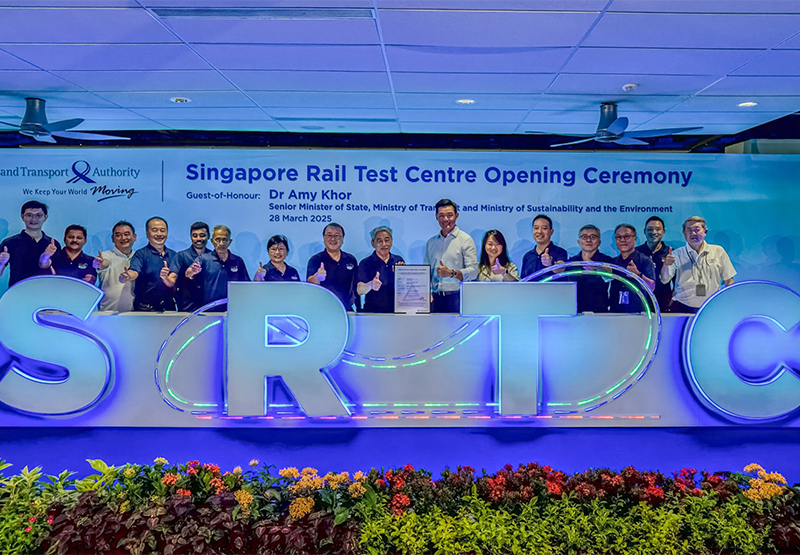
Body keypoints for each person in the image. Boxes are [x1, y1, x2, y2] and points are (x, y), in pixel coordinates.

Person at [661, 216, 736, 314]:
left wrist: (727, 301)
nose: (693, 233)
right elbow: (664, 279)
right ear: (684, 233)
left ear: (705, 232)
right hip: (683, 306)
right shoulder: (677, 254)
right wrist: (666, 265)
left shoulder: (718, 251)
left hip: (711, 307)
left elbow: (729, 280)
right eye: (689, 230)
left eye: (696, 230)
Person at [423, 199, 478, 313]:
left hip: (457, 298)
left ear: (456, 216)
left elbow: (473, 271)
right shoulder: (431, 243)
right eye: (441, 215)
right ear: (436, 217)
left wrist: (452, 273)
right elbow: (425, 272)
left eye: (450, 215)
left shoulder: (465, 240)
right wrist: (425, 291)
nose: (446, 219)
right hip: (435, 299)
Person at [121, 216, 178, 312]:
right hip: (145, 309)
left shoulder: (174, 255)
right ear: (147, 234)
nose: (159, 234)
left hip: (169, 308)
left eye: (162, 230)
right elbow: (134, 271)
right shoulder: (141, 254)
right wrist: (128, 275)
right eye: (155, 230)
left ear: (167, 233)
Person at [184, 224, 250, 307]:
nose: (221, 243)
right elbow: (188, 273)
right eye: (218, 240)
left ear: (230, 241)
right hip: (208, 310)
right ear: (212, 241)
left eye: (224, 240)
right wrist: (193, 271)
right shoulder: (203, 259)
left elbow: (246, 285)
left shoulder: (238, 261)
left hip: (232, 309)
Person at [0, 200, 61, 287]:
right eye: (29, 215)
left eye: (38, 215)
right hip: (18, 292)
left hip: (46, 292)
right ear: (22, 217)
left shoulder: (53, 245)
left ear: (45, 217)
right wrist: (1, 263)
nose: (34, 219)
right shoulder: (9, 243)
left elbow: (58, 272)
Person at [307, 223, 358, 311]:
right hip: (323, 310)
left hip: (346, 309)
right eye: (329, 235)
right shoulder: (316, 259)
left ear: (342, 239)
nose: (333, 239)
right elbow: (310, 283)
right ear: (324, 239)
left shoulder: (350, 259)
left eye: (337, 235)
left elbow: (355, 286)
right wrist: (318, 277)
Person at [356, 226, 405, 313]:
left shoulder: (398, 261)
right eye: (379, 241)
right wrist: (371, 285)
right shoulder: (365, 263)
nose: (384, 244)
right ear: (372, 243)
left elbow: (405, 287)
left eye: (387, 240)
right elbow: (360, 290)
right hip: (373, 312)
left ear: (391, 241)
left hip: (396, 311)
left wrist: (402, 275)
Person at [609, 223, 655, 313]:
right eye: (618, 237)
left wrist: (638, 274)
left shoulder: (644, 260)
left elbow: (652, 287)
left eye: (626, 237)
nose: (622, 240)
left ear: (635, 239)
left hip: (638, 312)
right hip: (615, 312)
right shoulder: (613, 262)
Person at [568, 224, 613, 313]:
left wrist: (597, 267)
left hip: (600, 312)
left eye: (593, 237)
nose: (588, 240)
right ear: (579, 242)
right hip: (575, 312)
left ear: (599, 242)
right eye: (584, 237)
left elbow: (609, 275)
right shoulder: (571, 262)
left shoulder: (606, 260)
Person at [96, 220, 137, 312]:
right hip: (108, 313)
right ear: (113, 238)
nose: (123, 238)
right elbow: (104, 263)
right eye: (118, 235)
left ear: (134, 237)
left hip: (135, 314)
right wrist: (100, 263)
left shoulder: (139, 257)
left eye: (127, 234)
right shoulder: (107, 255)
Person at [636, 216, 673, 311]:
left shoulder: (670, 254)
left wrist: (671, 302)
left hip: (663, 304)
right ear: (644, 231)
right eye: (650, 229)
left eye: (658, 229)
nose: (654, 232)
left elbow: (677, 282)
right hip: (640, 303)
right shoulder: (636, 252)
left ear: (663, 232)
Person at [174, 222, 211, 312]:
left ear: (208, 236)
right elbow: (174, 277)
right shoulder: (181, 256)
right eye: (195, 235)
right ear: (190, 237)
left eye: (202, 235)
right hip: (187, 307)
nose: (198, 239)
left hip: (209, 306)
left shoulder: (213, 257)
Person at [521, 214, 568, 279]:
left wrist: (550, 264)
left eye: (544, 228)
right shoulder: (527, 256)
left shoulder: (560, 252)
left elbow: (560, 268)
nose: (539, 232)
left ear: (551, 232)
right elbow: (523, 281)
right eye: (536, 228)